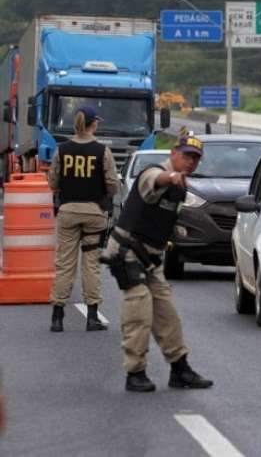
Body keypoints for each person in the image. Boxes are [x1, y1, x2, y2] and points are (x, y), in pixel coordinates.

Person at [100, 135, 213, 392]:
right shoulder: (154, 173)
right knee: (138, 310)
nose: (191, 162)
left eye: (196, 158)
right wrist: (170, 177)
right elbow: (155, 181)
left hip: (151, 258)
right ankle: (135, 372)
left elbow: (165, 223)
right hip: (127, 252)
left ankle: (179, 368)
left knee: (167, 313)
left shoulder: (181, 188)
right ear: (174, 153)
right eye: (186, 155)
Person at [47, 105, 119, 332]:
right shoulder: (101, 151)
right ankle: (92, 317)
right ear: (92, 124)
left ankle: (57, 317)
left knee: (64, 265)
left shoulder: (62, 150)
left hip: (68, 212)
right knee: (91, 265)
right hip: (93, 213)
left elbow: (52, 182)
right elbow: (112, 184)